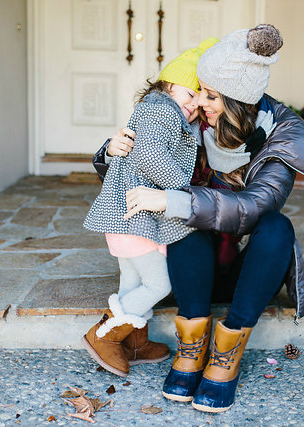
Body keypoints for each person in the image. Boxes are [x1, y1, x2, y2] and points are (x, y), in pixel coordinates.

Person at [108, 24, 304, 413]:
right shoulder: (195, 122)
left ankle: (226, 355)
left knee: (277, 227)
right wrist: (112, 150)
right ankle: (191, 350)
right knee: (186, 225)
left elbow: (256, 207)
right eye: (199, 92)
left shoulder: (284, 134)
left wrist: (174, 200)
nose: (198, 102)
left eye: (210, 95)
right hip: (189, 269)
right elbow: (141, 167)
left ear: (237, 99)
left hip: (246, 272)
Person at [81, 37, 218, 378]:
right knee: (159, 284)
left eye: (199, 105)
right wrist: (185, 192)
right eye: (190, 96)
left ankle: (134, 343)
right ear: (169, 85)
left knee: (131, 279)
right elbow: (152, 156)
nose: (193, 108)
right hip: (135, 216)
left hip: (130, 218)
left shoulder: (164, 110)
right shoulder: (159, 109)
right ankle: (103, 336)